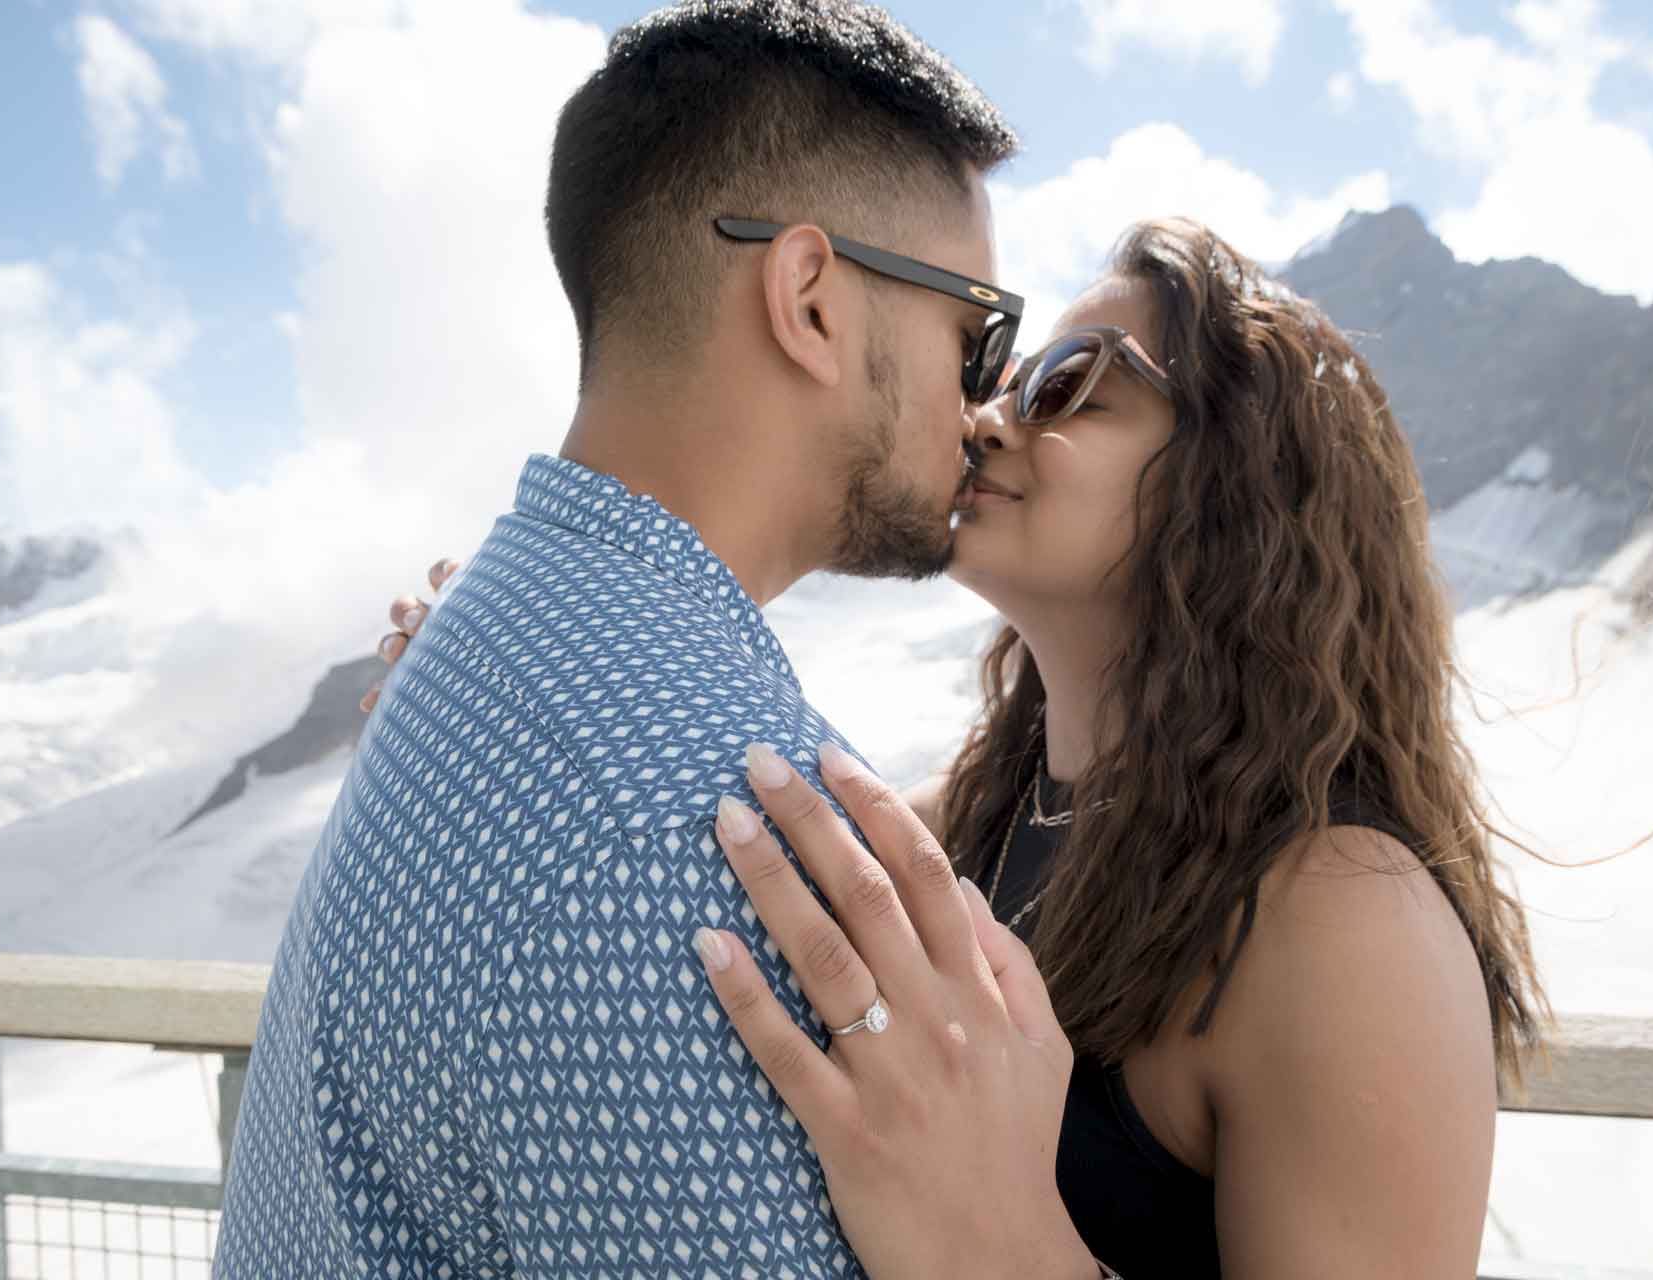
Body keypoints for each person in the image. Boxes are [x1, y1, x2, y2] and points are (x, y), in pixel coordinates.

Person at [377, 218, 1550, 1276]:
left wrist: (1001, 1247)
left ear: (1245, 482)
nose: (986, 416)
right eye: (1002, 375)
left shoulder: (1347, 919)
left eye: (1070, 384)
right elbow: (709, 847)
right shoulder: (983, 814)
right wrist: (514, 679)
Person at [213, 3, 1068, 1276]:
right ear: (813, 301)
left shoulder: (482, 641)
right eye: (977, 330)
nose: (988, 398)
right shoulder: (719, 838)